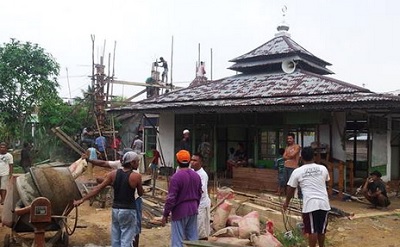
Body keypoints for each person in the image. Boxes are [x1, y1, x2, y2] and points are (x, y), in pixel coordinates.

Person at [74, 151, 144, 247]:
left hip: (115, 210)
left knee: (115, 239)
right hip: (128, 210)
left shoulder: (113, 174)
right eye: (137, 161)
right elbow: (140, 193)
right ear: (132, 163)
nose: (138, 163)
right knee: (126, 239)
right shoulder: (136, 176)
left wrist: (82, 199)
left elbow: (98, 188)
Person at [283, 146, 331, 247]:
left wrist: (286, 202)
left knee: (312, 231)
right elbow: (326, 181)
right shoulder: (323, 168)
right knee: (321, 230)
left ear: (301, 157)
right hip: (324, 203)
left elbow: (290, 189)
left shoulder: (297, 171)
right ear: (313, 156)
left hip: (310, 204)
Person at [161, 150, 202, 247]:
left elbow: (171, 198)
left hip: (179, 210)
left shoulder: (176, 177)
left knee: (177, 240)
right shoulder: (196, 176)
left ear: (177, 161)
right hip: (193, 209)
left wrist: (165, 214)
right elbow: (199, 194)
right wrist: (195, 206)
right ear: (189, 161)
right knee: (193, 239)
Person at [190, 152, 211, 240]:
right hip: (193, 203)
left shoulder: (202, 175)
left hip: (201, 204)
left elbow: (201, 191)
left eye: (195, 160)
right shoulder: (191, 172)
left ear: (200, 163)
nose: (192, 162)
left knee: (201, 228)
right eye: (191, 160)